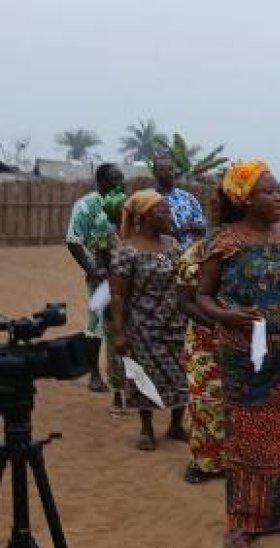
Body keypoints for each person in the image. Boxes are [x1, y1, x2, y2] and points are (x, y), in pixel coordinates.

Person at [197, 161, 280, 548]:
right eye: (269, 191)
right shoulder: (224, 243)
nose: (279, 196)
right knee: (248, 441)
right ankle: (243, 521)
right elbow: (203, 296)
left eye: (278, 190)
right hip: (247, 357)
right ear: (245, 199)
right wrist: (226, 316)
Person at [109, 189, 189, 451]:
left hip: (176, 323)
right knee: (145, 377)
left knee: (181, 377)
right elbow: (118, 295)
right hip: (143, 328)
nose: (169, 215)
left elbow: (184, 281)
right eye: (163, 211)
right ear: (146, 215)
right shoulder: (127, 251)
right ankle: (147, 428)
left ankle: (176, 424)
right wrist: (119, 332)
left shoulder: (173, 245)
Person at [66, 163, 126, 393]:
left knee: (125, 322)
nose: (119, 184)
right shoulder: (86, 206)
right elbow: (73, 240)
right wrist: (93, 271)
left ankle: (125, 377)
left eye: (121, 179)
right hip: (100, 274)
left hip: (125, 273)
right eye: (114, 179)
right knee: (98, 322)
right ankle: (94, 374)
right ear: (100, 181)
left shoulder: (124, 203)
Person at [177, 233, 225, 483]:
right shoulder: (195, 254)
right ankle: (203, 462)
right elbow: (184, 302)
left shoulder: (253, 253)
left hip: (248, 342)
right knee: (204, 403)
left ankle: (236, 461)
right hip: (204, 343)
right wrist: (220, 325)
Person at [152, 156, 207, 250]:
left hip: (187, 257)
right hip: (159, 255)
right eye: (161, 169)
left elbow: (203, 228)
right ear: (154, 173)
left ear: (175, 171)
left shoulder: (188, 198)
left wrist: (189, 226)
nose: (167, 172)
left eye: (170, 169)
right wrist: (175, 232)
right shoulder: (148, 199)